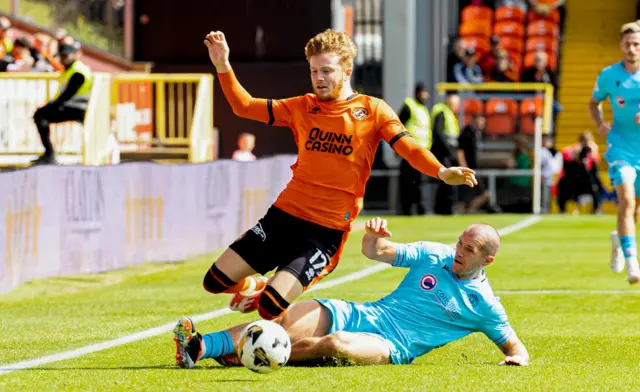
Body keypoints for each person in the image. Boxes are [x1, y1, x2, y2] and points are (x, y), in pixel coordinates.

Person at [198, 29, 477, 325]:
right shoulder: (301, 106)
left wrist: (441, 171)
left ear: (347, 70)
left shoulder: (373, 110)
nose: (319, 78)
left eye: (327, 71)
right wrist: (223, 66)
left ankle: (262, 317)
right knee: (214, 281)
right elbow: (244, 106)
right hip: (283, 217)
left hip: (324, 233)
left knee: (269, 308)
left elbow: (408, 147)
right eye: (314, 70)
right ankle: (253, 287)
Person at [173, 217, 529, 369]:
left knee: (339, 343)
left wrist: (517, 358)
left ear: (488, 259)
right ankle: (202, 347)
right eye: (459, 242)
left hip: (393, 346)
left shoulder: (484, 304)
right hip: (367, 313)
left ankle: (260, 354)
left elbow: (514, 345)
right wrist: (374, 237)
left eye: (469, 250)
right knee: (286, 317)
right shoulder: (434, 254)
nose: (458, 251)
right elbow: (377, 253)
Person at [588, 21, 640, 284]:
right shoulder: (608, 75)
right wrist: (599, 123)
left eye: (636, 44)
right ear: (621, 45)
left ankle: (619, 242)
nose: (631, 49)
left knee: (636, 209)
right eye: (627, 44)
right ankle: (633, 264)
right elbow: (593, 102)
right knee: (627, 201)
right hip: (620, 146)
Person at [31, 41, 93, 164]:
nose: (63, 59)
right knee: (41, 114)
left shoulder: (77, 71)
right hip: (76, 107)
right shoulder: (72, 69)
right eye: (62, 56)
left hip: (79, 108)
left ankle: (49, 154)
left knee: (40, 115)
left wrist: (51, 106)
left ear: (74, 55)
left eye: (66, 56)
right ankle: (49, 153)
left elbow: (67, 95)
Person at [397, 83, 431, 215]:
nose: (425, 95)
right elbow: (398, 126)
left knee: (418, 182)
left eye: (426, 92)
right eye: (423, 92)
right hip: (409, 151)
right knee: (408, 182)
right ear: (417, 93)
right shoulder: (409, 105)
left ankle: (419, 209)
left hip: (421, 152)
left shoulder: (423, 108)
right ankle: (407, 210)